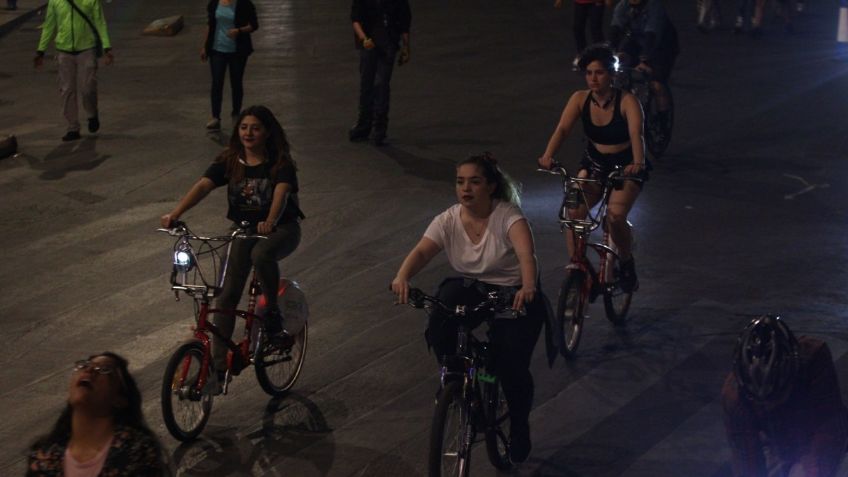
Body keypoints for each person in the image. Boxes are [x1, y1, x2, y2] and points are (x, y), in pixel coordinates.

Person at [391, 153, 544, 463]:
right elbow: (423, 250)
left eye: (474, 182)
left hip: (512, 291)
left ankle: (518, 427)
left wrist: (528, 286)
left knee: (512, 365)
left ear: (490, 186)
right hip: (472, 286)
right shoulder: (448, 219)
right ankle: (457, 384)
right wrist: (402, 276)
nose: (466, 189)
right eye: (460, 182)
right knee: (439, 320)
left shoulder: (508, 216)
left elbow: (527, 256)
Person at [160, 105, 303, 387]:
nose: (248, 133)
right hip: (243, 230)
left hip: (281, 229)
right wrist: (176, 214)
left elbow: (282, 193)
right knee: (224, 297)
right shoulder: (231, 160)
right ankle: (216, 368)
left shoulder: (279, 163)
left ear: (267, 133)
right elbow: (203, 185)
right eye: (244, 127)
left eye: (256, 128)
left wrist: (270, 220)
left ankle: (272, 313)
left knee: (261, 254)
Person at [538, 44, 648, 292]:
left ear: (611, 75)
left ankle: (627, 263)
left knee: (615, 216)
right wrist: (547, 156)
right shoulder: (580, 99)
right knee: (572, 214)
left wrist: (637, 163)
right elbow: (563, 129)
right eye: (588, 73)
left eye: (599, 73)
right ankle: (578, 265)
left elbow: (636, 134)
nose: (593, 79)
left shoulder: (627, 101)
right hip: (595, 163)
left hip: (624, 166)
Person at [721, 315, 848, 477]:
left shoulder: (814, 360)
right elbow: (746, 458)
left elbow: (830, 427)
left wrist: (814, 470)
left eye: (775, 397)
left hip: (816, 432)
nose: (769, 406)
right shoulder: (734, 398)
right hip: (777, 442)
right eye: (762, 402)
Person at [27, 352, 166, 476]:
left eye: (104, 370)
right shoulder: (44, 457)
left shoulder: (136, 452)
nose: (90, 370)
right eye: (84, 365)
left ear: (119, 399)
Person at [34, 0, 114, 142]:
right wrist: (41, 51)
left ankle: (92, 114)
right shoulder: (55, 1)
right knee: (67, 90)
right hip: (64, 50)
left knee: (87, 88)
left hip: (87, 49)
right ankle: (73, 127)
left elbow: (100, 22)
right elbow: (49, 25)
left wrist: (107, 47)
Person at [348, 0, 411, 146]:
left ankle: (375, 127)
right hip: (372, 44)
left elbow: (404, 22)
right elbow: (356, 19)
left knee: (379, 84)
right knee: (370, 84)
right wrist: (364, 39)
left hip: (386, 44)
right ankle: (369, 125)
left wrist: (406, 47)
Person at [609, 0, 678, 121]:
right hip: (636, 40)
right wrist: (609, 52)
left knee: (656, 84)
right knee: (620, 60)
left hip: (662, 45)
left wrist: (644, 61)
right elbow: (616, 28)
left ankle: (662, 121)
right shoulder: (623, 5)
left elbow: (651, 35)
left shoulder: (654, 6)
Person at [202, 0, 258, 130]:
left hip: (237, 51)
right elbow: (210, 25)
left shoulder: (244, 4)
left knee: (236, 82)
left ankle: (236, 114)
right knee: (217, 83)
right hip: (217, 50)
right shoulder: (214, 3)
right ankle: (215, 117)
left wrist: (239, 30)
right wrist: (205, 46)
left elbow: (254, 25)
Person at [554, 0, 609, 69]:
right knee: (578, 28)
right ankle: (582, 55)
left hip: (596, 2)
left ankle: (601, 57)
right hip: (580, 2)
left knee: (596, 29)